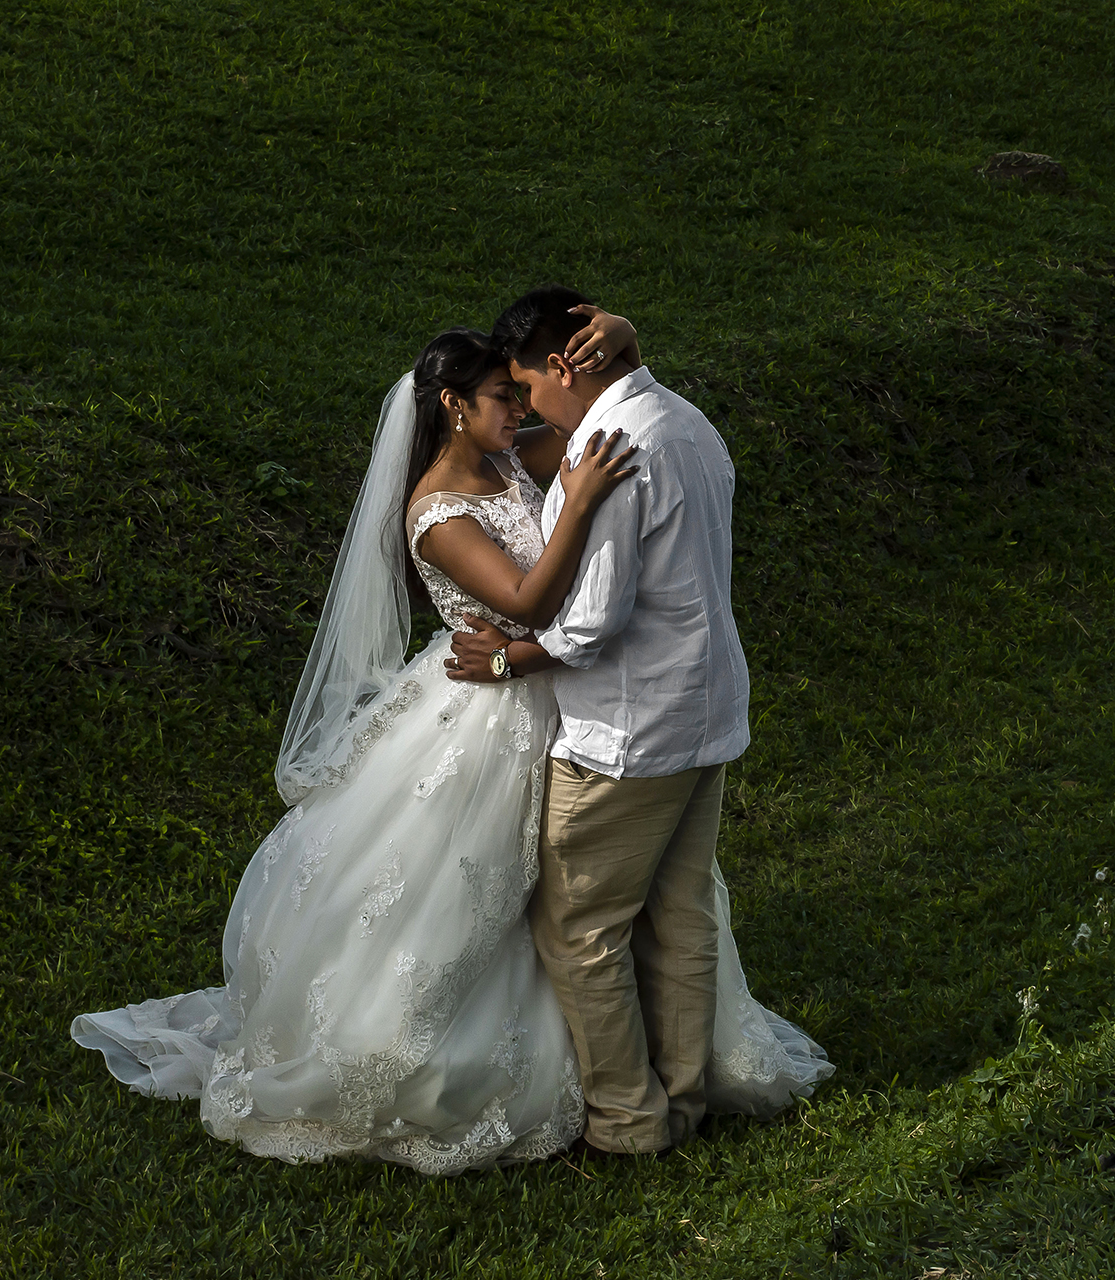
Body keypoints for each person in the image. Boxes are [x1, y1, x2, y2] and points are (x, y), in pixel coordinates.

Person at [71, 308, 832, 1173]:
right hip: (490, 702)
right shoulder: (435, 511)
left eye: (520, 393)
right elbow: (528, 600)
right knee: (491, 892)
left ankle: (634, 1086)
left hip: (555, 693)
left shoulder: (515, 455)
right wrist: (579, 503)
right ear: (453, 405)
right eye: (502, 398)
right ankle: (557, 1081)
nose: (522, 412)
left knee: (582, 902)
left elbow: (593, 410)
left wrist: (620, 355)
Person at [444, 284, 763, 1156]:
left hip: (628, 734)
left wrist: (507, 659)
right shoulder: (684, 418)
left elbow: (589, 620)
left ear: (560, 365)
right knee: (682, 914)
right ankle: (684, 1102)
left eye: (529, 387)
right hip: (703, 712)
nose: (529, 408)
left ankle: (628, 1124)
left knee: (579, 928)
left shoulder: (611, 445)